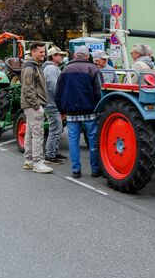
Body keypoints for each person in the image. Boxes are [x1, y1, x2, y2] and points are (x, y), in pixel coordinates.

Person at [56, 45, 103, 178]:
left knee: (73, 141)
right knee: (93, 140)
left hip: (71, 113)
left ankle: (76, 170)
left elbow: (58, 92)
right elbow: (99, 91)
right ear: (88, 56)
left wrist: (61, 110)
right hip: (90, 111)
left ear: (75, 56)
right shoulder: (93, 68)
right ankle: (95, 169)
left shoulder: (65, 70)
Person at [20, 41, 52, 174]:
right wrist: (37, 106)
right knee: (38, 134)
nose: (44, 54)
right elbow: (28, 89)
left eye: (44, 52)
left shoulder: (34, 66)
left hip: (31, 105)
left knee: (30, 133)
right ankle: (38, 162)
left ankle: (28, 160)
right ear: (33, 52)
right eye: (41, 52)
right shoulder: (30, 67)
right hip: (33, 106)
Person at [43, 46, 67, 164]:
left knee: (57, 128)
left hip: (51, 103)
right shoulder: (52, 69)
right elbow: (54, 87)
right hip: (53, 104)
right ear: (53, 56)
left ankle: (55, 152)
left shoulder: (50, 68)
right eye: (59, 55)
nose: (61, 57)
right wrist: (60, 101)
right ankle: (50, 155)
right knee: (55, 129)